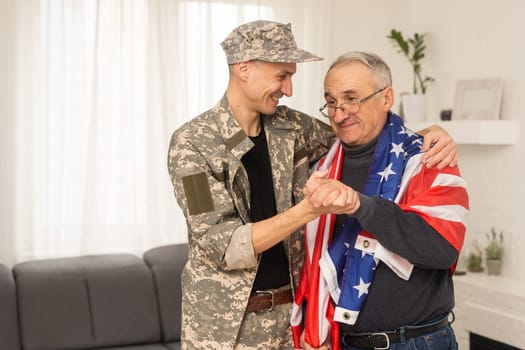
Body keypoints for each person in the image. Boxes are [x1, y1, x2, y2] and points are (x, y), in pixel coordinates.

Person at [167, 21, 458, 350]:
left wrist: (425, 135)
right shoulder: (191, 145)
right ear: (244, 69)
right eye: (281, 76)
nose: (288, 89)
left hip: (290, 324)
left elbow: (360, 132)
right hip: (224, 330)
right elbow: (222, 245)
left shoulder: (291, 128)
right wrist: (307, 211)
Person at [293, 51, 469, 350]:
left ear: (386, 98)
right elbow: (313, 260)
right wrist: (315, 330)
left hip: (415, 342)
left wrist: (360, 206)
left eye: (351, 98)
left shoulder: (426, 157)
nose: (339, 113)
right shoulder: (320, 168)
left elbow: (442, 250)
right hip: (342, 342)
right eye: (331, 102)